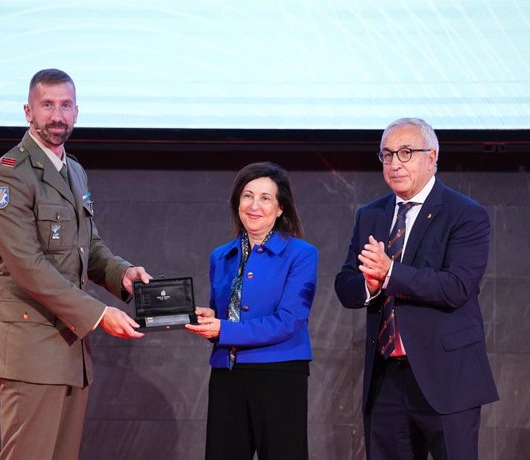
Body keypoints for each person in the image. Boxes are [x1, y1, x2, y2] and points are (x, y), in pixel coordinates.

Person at [0, 68, 151, 460]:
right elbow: (29, 268)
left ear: (77, 111)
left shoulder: (73, 169)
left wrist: (121, 273)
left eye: (66, 105)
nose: (58, 115)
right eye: (47, 105)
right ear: (28, 111)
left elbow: (87, 245)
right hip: (31, 350)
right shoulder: (8, 179)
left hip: (70, 349)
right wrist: (99, 313)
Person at [335, 118, 498, 459]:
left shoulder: (465, 214)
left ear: (432, 156)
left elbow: (456, 286)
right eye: (387, 155)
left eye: (406, 153)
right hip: (386, 381)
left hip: (447, 379)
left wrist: (391, 272)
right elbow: (346, 284)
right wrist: (369, 283)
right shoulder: (371, 214)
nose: (395, 164)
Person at [186, 162, 318, 460]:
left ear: (281, 207)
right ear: (237, 203)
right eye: (247, 196)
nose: (254, 205)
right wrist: (209, 321)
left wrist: (223, 329)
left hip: (279, 376)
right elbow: (223, 317)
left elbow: (290, 320)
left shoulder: (302, 254)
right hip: (227, 375)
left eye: (265, 198)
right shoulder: (221, 255)